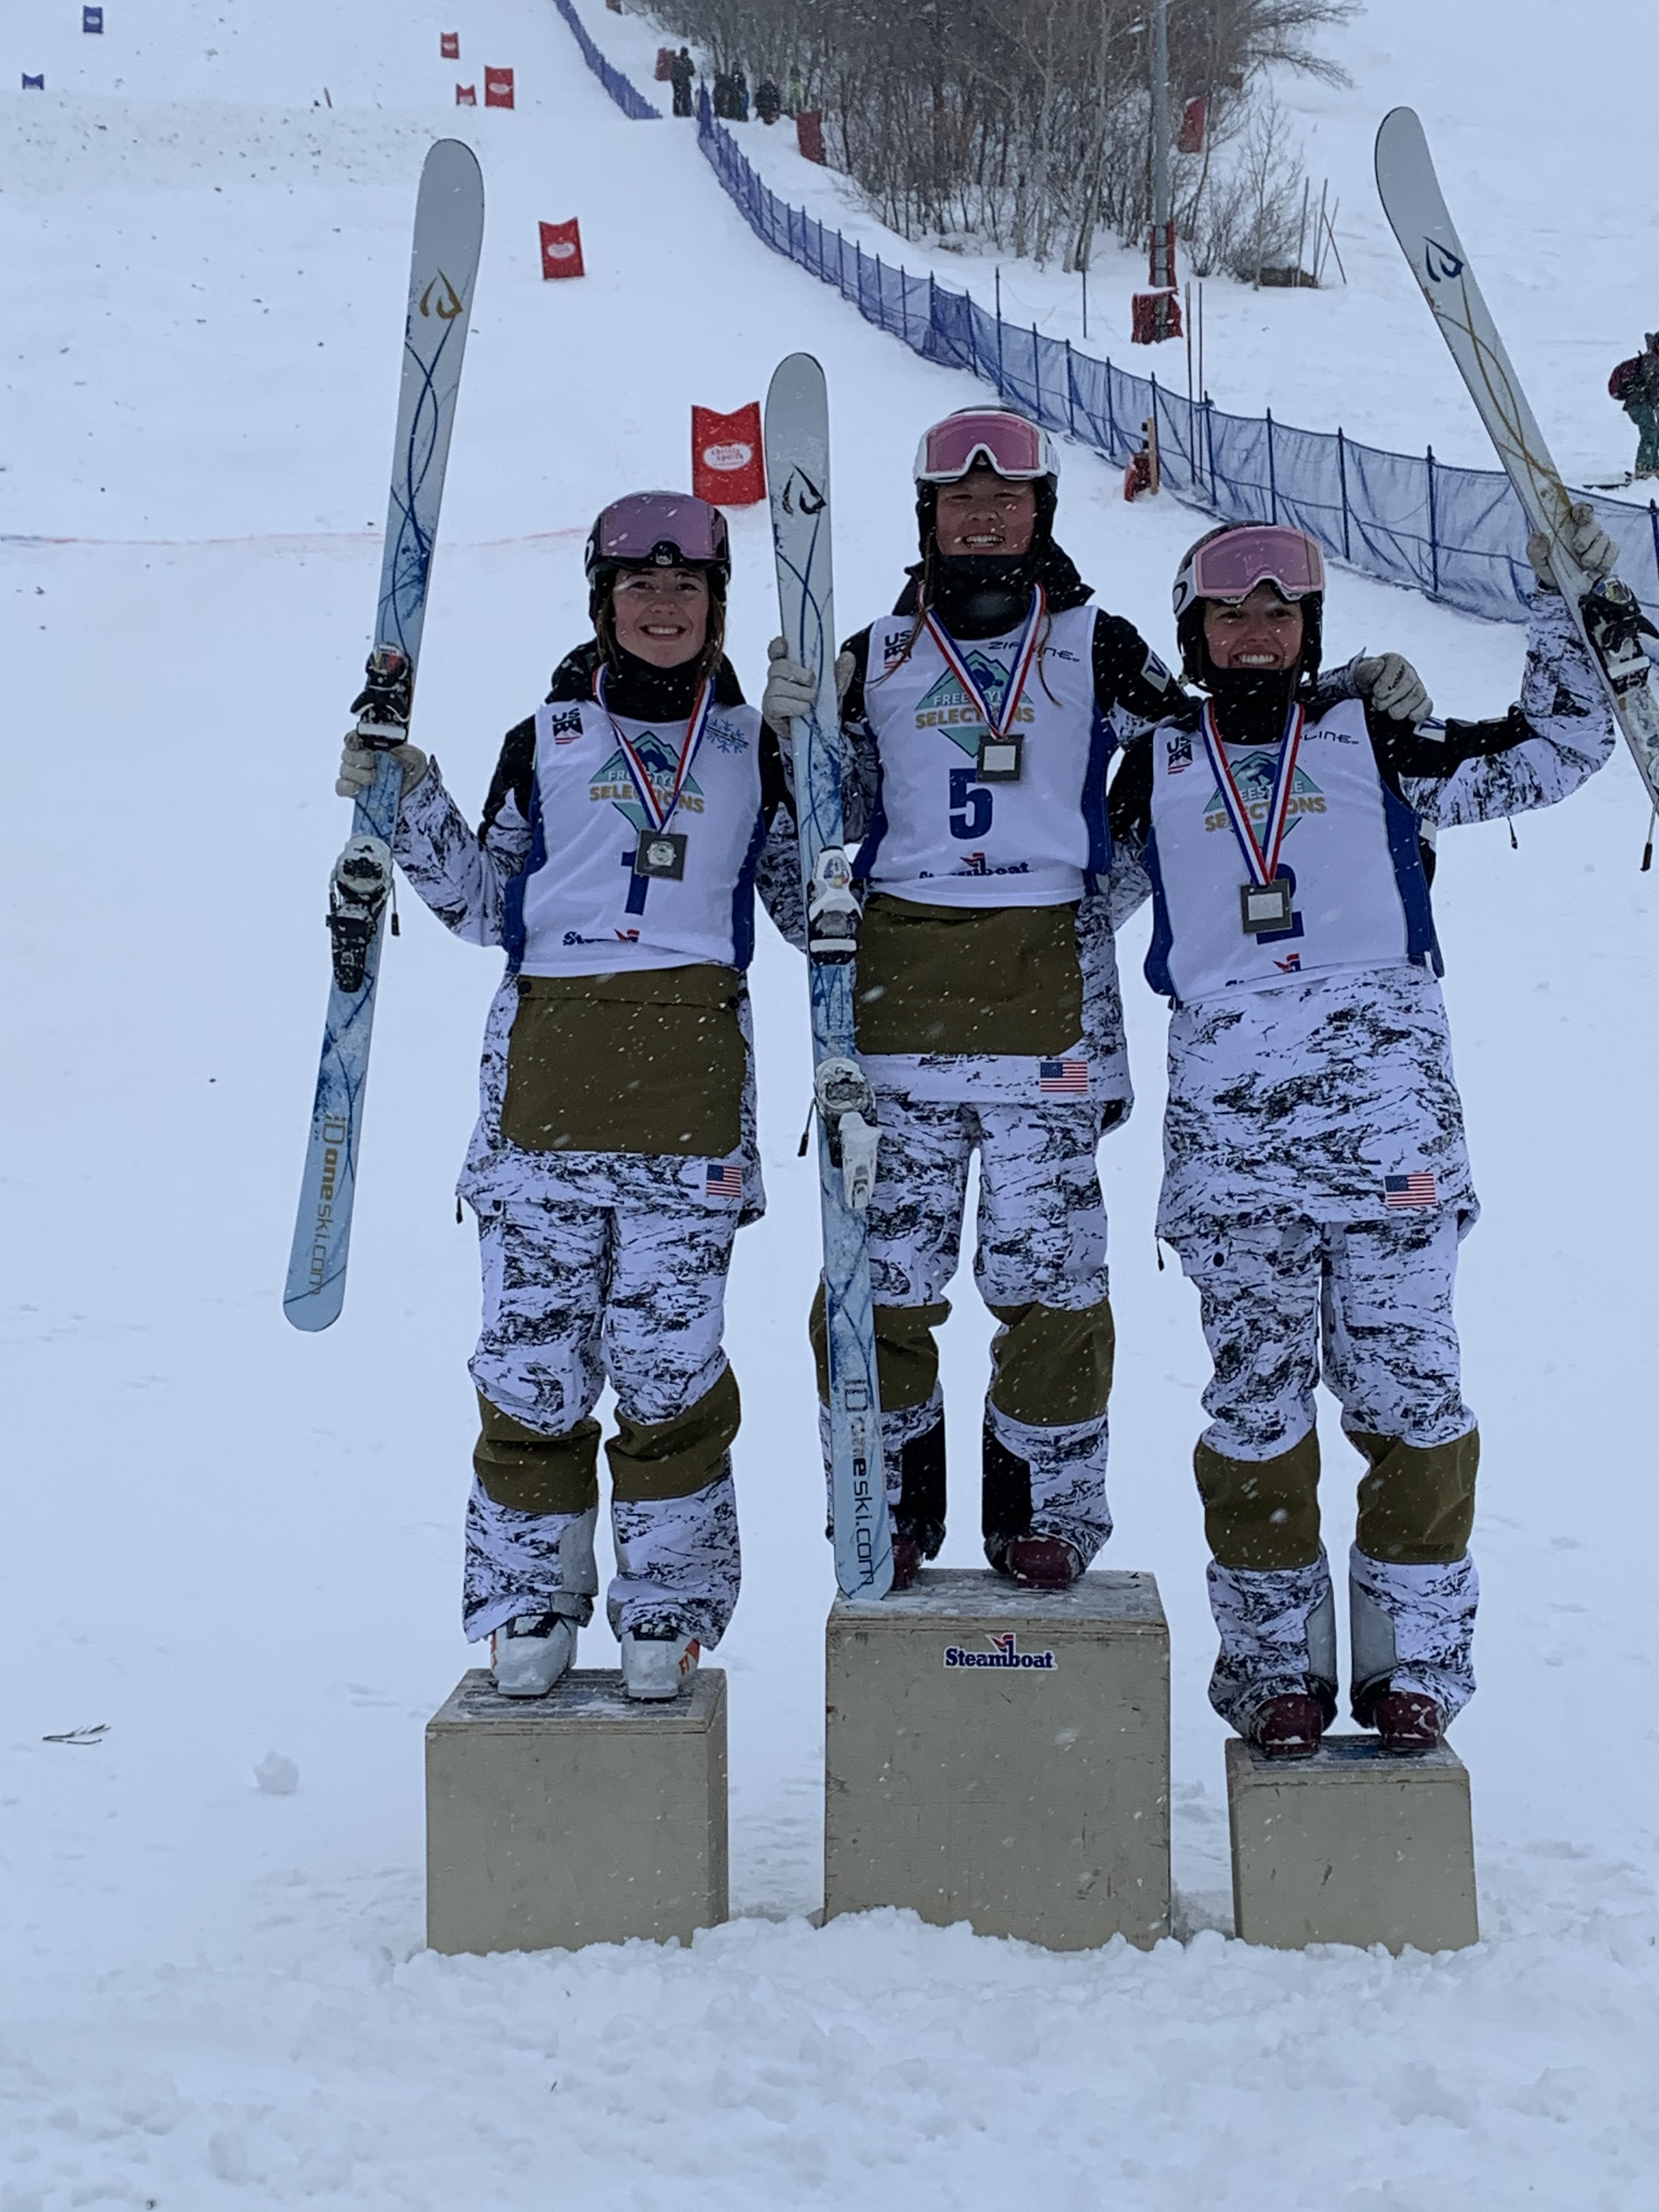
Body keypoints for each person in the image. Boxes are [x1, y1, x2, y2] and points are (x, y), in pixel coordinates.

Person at [763, 411, 1415, 1594]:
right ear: (927, 517)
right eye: (960, 500)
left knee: (1053, 1286)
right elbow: (828, 818)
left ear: (1040, 513)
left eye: (1004, 498)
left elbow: (1214, 742)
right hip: (899, 1019)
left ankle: (1043, 1510)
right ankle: (887, 1500)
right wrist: (787, 739)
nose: (982, 517)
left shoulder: (1098, 645)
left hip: (1047, 1017)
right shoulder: (878, 655)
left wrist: (1338, 708)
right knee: (879, 1283)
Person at [1107, 510, 1618, 1757]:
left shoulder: (1373, 735)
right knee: (1255, 1418)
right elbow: (1048, 899)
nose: (1256, 631)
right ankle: (1275, 1668)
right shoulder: (1153, 766)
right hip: (1235, 1160)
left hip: (1387, 1144)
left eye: (1279, 611)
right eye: (1229, 613)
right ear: (1194, 632)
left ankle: (1412, 1666)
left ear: (1310, 627)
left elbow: (1556, 751)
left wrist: (1568, 609)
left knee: (1414, 1405)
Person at [337, 494, 800, 1701]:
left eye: (687, 587)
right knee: (531, 1366)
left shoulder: (752, 745)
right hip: (545, 1099)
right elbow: (484, 906)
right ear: (603, 602)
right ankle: (527, 1599)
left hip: (689, 1106)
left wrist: (827, 759)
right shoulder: (543, 738)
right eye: (640, 587)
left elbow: (811, 911)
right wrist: (404, 798)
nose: (663, 606)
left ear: (716, 606)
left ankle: (668, 1604)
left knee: (669, 1370)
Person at [1608, 335, 1659, 479]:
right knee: (1650, 431)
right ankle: (1644, 469)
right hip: (1639, 403)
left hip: (1643, 403)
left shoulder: (1653, 359)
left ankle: (1654, 468)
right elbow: (1653, 386)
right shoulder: (1652, 361)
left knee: (1654, 432)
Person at [669, 47, 695, 120]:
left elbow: (672, 71)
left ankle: (677, 112)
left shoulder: (676, 60)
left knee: (677, 96)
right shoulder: (689, 61)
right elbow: (692, 72)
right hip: (684, 81)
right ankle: (686, 112)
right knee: (685, 97)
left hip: (676, 81)